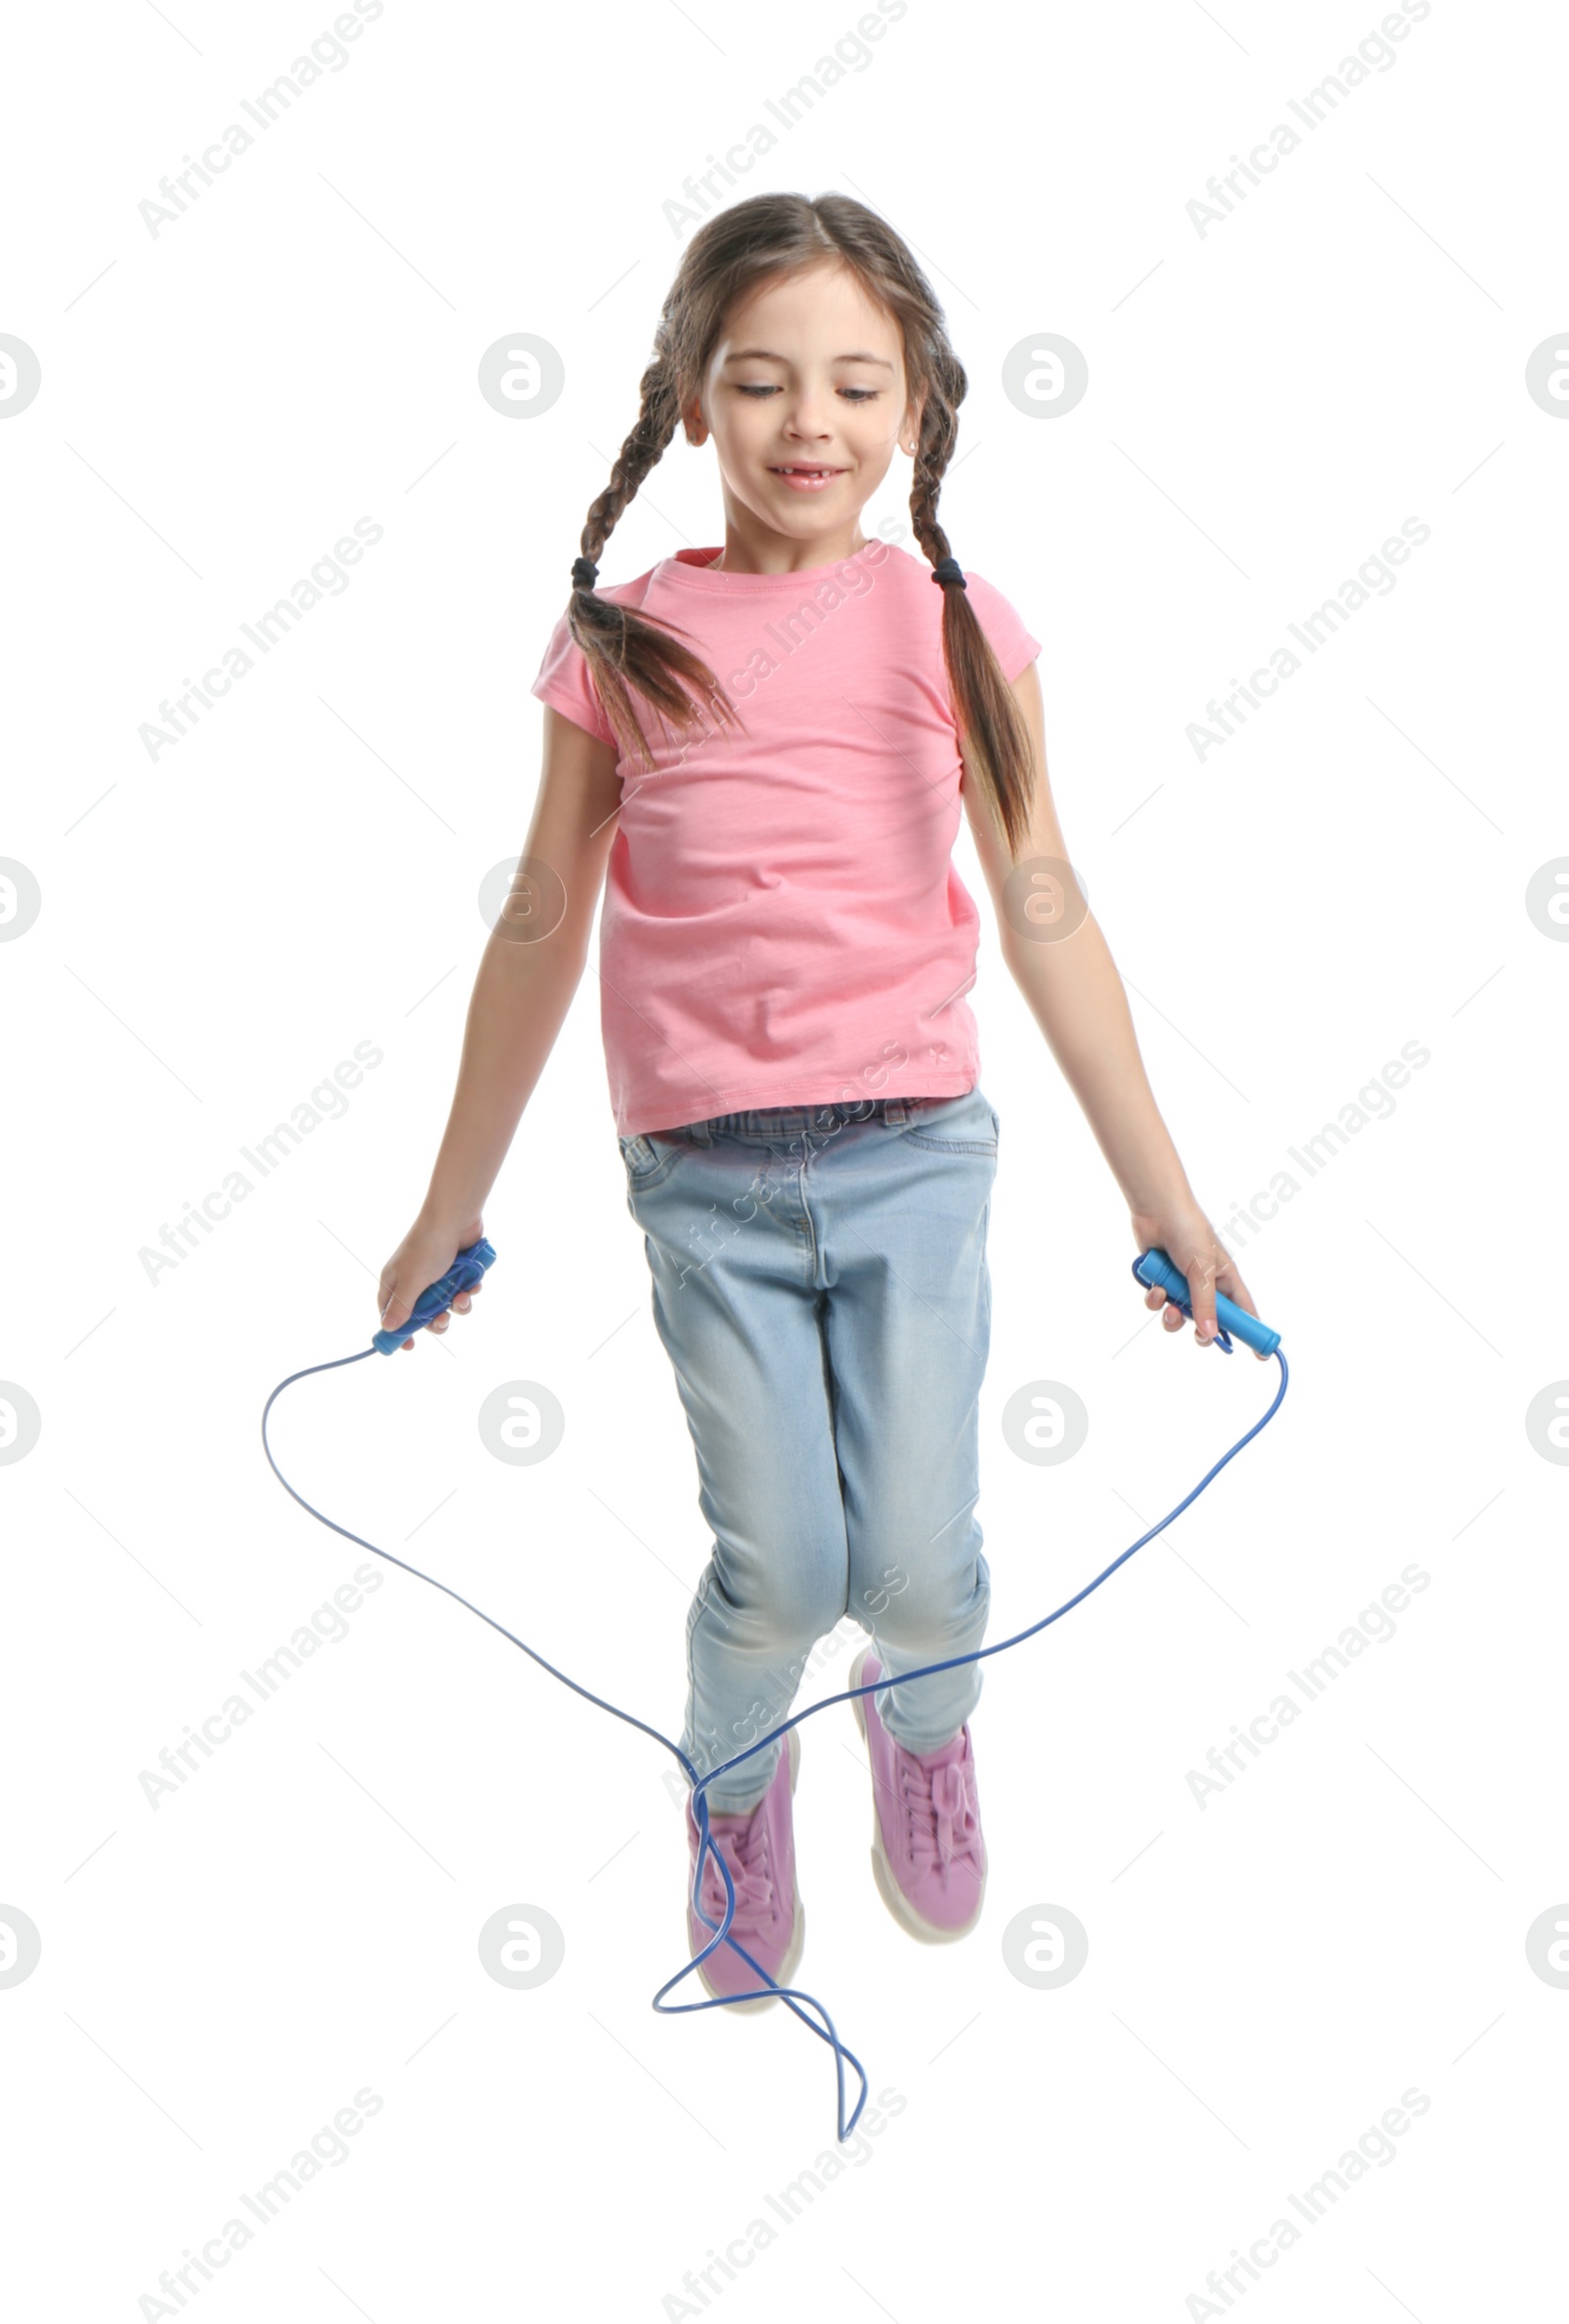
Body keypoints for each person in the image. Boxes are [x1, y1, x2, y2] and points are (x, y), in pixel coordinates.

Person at [377, 190, 1264, 2012]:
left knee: (925, 1584)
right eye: (764, 378)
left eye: (860, 384)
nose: (812, 422)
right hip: (704, 1180)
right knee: (779, 1574)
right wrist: (445, 1204)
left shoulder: (953, 624)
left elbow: (1047, 911)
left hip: (914, 1158)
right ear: (691, 398)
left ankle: (920, 1730)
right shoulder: (619, 641)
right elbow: (540, 926)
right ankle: (734, 1777)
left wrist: (1161, 1199)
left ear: (920, 408)